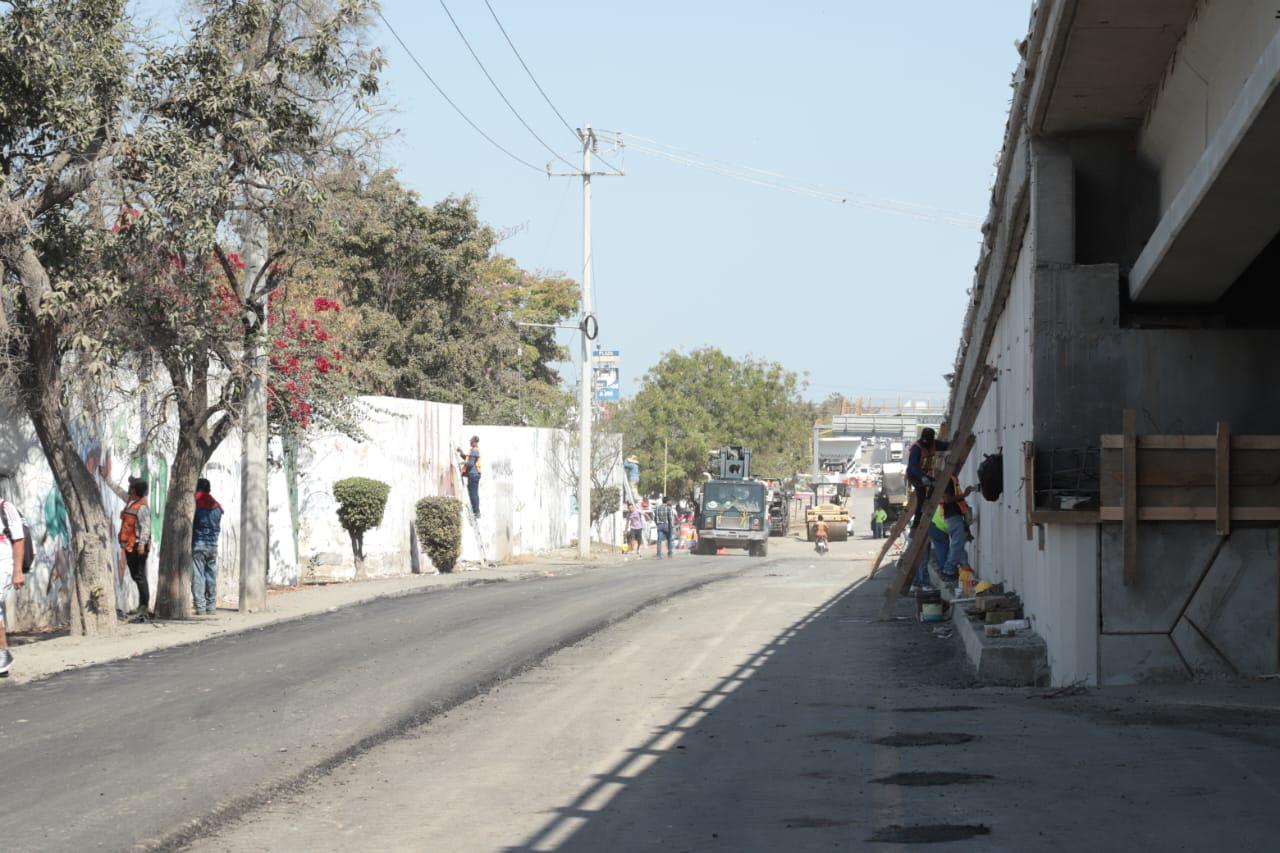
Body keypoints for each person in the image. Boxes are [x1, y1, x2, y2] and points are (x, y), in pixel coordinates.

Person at [0, 498, 27, 674]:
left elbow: (19, 539)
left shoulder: (5, 508)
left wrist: (18, 571)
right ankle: (2, 653)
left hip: (3, 564)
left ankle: (2, 654)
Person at [119, 478, 152, 619]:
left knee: (139, 576)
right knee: (136, 576)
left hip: (138, 545)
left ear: (136, 490)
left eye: (131, 488)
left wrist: (142, 544)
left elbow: (145, 527)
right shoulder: (132, 502)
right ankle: (141, 606)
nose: (129, 490)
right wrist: (106, 478)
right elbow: (119, 492)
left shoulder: (141, 506)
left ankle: (144, 607)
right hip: (130, 546)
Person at [906, 428, 950, 531]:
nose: (925, 444)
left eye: (927, 441)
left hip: (924, 474)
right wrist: (922, 477)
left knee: (934, 486)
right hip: (914, 475)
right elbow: (913, 467)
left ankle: (929, 500)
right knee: (921, 497)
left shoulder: (934, 444)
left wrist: (956, 443)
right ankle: (916, 524)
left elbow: (946, 446)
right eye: (924, 441)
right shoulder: (916, 449)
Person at [191, 478, 223, 616]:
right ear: (209, 489)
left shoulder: (195, 503)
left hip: (199, 544)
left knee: (198, 576)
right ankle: (211, 606)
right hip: (213, 545)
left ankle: (200, 607)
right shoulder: (216, 506)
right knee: (211, 576)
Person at [938, 474, 975, 581]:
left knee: (959, 544)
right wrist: (964, 494)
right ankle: (948, 570)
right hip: (953, 516)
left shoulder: (950, 479)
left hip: (954, 516)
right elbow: (947, 499)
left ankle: (965, 567)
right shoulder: (948, 479)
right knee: (957, 543)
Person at [458, 436, 481, 518]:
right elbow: (468, 459)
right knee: (473, 493)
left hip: (473, 475)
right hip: (473, 475)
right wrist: (461, 452)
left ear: (474, 442)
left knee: (473, 494)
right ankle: (476, 511)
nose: (470, 442)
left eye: (471, 441)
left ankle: (476, 512)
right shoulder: (473, 450)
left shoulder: (474, 450)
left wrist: (463, 463)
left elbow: (470, 463)